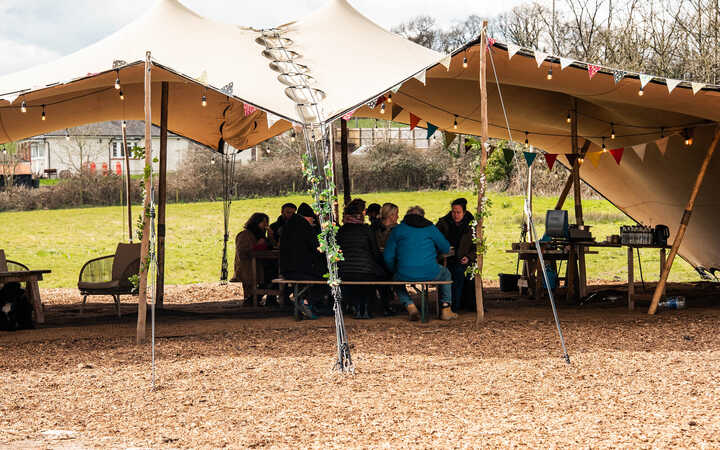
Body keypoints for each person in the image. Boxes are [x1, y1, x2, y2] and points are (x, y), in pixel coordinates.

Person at [384, 206, 457, 321]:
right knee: (446, 274)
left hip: (404, 273)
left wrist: (395, 270)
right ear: (422, 216)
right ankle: (446, 308)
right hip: (430, 272)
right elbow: (445, 248)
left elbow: (388, 256)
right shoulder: (431, 228)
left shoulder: (398, 230)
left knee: (396, 280)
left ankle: (410, 306)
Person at [337, 198, 388, 319]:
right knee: (379, 275)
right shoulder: (366, 230)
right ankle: (370, 308)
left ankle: (356, 308)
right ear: (361, 214)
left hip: (343, 271)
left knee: (355, 281)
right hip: (365, 271)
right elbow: (375, 252)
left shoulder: (341, 231)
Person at [279, 202, 327, 319]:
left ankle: (301, 299)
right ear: (306, 217)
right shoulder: (305, 227)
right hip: (301, 270)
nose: (313, 220)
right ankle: (306, 301)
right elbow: (316, 249)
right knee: (327, 278)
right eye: (312, 218)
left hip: (286, 270)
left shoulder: (288, 226)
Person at [436, 198, 476, 313]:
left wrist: (468, 257)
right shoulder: (443, 223)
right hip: (446, 259)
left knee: (464, 273)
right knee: (453, 273)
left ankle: (461, 305)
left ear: (464, 212)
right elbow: (435, 241)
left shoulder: (471, 225)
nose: (455, 215)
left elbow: (477, 247)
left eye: (458, 212)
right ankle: (452, 306)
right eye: (453, 212)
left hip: (465, 260)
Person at [232, 213, 271, 305]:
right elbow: (243, 252)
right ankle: (250, 300)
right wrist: (258, 245)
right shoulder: (245, 235)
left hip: (259, 265)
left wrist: (270, 237)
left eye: (267, 222)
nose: (265, 225)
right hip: (247, 266)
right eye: (263, 222)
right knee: (251, 285)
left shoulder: (260, 235)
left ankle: (254, 300)